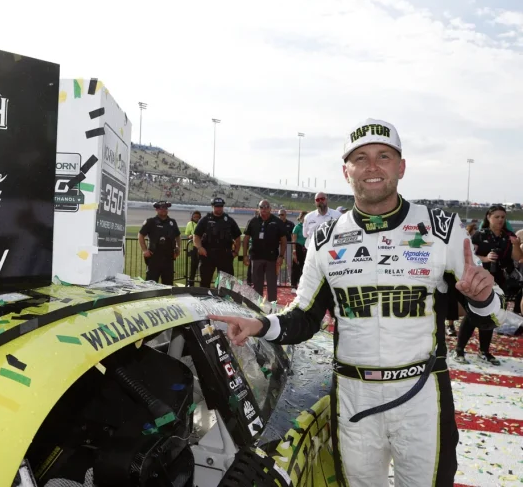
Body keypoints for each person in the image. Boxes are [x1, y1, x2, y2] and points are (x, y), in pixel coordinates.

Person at [210, 118, 503, 487]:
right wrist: (263, 325)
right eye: (360, 158)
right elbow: (304, 316)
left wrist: (483, 296)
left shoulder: (441, 228)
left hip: (422, 393)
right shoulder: (325, 238)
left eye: (384, 156)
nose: (372, 166)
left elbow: (491, 316)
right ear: (346, 171)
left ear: (401, 166)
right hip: (353, 395)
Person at [453, 205, 522, 365]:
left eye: (503, 217)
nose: (500, 220)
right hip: (479, 282)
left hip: (500, 282)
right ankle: (459, 350)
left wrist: (515, 245)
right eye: (497, 217)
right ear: (488, 217)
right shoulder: (479, 235)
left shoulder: (508, 236)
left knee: (492, 316)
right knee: (472, 316)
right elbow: (467, 255)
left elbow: (518, 258)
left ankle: (484, 351)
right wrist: (484, 259)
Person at [243, 200, 287, 302]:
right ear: (258, 208)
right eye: (262, 207)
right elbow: (245, 239)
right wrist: (245, 255)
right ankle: (257, 306)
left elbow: (284, 240)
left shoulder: (277, 222)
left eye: (267, 207)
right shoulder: (252, 221)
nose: (264, 209)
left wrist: (281, 256)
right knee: (257, 285)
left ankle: (272, 307)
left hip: (271, 259)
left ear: (270, 209)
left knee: (272, 285)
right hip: (256, 257)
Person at [193, 198, 241, 288]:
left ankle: (223, 301)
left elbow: (238, 237)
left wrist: (236, 251)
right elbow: (196, 236)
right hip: (208, 254)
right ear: (212, 207)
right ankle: (205, 300)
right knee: (205, 281)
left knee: (225, 284)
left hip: (225, 255)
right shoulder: (205, 220)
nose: (219, 208)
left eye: (221, 206)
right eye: (217, 206)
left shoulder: (229, 220)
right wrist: (199, 248)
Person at [138, 201, 181, 285]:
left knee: (168, 284)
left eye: (165, 208)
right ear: (156, 209)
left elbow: (178, 236)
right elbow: (140, 235)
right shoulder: (151, 221)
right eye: (161, 208)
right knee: (151, 283)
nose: (164, 210)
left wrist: (178, 247)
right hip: (154, 257)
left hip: (169, 258)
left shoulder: (172, 222)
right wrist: (144, 250)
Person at [291, 211, 308, 293]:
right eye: (303, 218)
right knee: (296, 267)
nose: (305, 219)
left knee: (304, 268)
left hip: (306, 248)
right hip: (298, 248)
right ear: (300, 218)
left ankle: (302, 286)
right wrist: (294, 252)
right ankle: (293, 286)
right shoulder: (297, 227)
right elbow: (293, 240)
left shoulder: (308, 227)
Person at [184, 211, 202, 286]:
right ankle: (191, 283)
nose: (196, 218)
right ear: (192, 217)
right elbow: (187, 234)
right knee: (193, 266)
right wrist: (190, 236)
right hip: (194, 247)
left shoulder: (202, 223)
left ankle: (203, 284)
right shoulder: (189, 224)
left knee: (203, 267)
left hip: (202, 247)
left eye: (198, 217)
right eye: (195, 217)